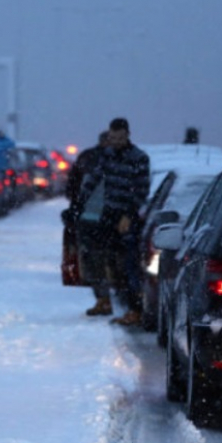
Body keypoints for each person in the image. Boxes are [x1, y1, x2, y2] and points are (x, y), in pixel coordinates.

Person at [67, 118, 150, 326]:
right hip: (107, 214)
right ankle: (104, 300)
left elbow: (141, 190)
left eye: (119, 138)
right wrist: (79, 205)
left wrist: (129, 215)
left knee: (126, 264)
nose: (115, 141)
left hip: (126, 217)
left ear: (128, 135)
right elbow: (93, 181)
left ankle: (135, 309)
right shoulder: (107, 155)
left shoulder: (139, 158)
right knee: (102, 259)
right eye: (112, 137)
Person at [61, 131, 111, 304]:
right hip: (98, 216)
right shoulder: (105, 160)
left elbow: (73, 187)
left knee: (92, 256)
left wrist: (76, 205)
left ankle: (102, 295)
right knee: (99, 257)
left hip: (91, 216)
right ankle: (104, 295)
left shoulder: (88, 158)